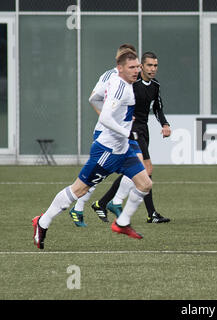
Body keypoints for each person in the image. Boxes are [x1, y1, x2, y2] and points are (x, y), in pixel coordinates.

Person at [33, 49, 151, 249]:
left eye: (137, 66)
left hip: (123, 150)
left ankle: (122, 223)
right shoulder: (121, 88)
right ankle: (42, 222)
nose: (136, 71)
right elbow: (105, 118)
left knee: (145, 183)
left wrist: (124, 129)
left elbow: (94, 99)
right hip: (107, 151)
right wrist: (125, 131)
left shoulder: (118, 81)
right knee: (79, 189)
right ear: (120, 68)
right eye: (131, 67)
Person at [91, 51, 172, 224]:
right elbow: (113, 104)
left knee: (137, 171)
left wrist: (165, 124)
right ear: (142, 66)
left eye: (155, 65)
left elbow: (157, 108)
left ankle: (102, 202)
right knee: (146, 169)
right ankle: (149, 213)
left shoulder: (155, 85)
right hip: (131, 130)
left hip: (144, 129)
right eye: (149, 65)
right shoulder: (132, 85)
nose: (153, 69)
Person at [68, 44, 138, 227]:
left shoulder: (130, 77)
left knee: (140, 168)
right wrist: (105, 117)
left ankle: (111, 202)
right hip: (110, 132)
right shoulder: (110, 75)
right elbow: (93, 97)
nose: (135, 67)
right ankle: (82, 206)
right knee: (98, 174)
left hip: (121, 133)